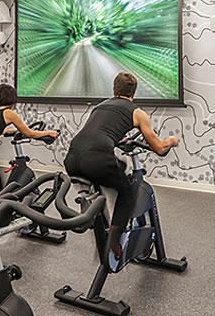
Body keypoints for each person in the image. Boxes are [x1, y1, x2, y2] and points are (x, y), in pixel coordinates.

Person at [63, 72, 178, 251]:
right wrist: (172, 140)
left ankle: (101, 224)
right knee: (126, 193)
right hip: (97, 159)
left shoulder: (99, 107)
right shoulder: (137, 113)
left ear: (114, 89)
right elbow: (159, 147)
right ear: (134, 93)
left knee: (109, 179)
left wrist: (120, 139)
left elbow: (101, 132)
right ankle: (114, 242)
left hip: (71, 158)